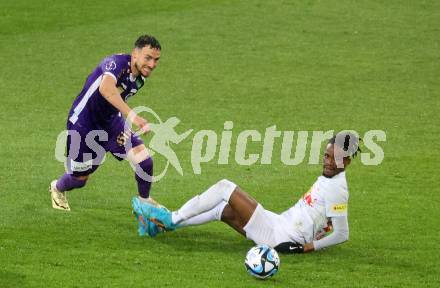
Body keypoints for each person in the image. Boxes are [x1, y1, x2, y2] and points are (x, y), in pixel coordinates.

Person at [132, 132, 360, 254]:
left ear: (347, 161)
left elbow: (342, 233)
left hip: (282, 237)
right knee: (222, 210)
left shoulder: (338, 189)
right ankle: (157, 226)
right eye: (327, 155)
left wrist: (305, 248)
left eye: (336, 158)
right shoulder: (331, 177)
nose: (329, 162)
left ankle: (169, 219)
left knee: (224, 187)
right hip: (278, 222)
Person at [50, 35, 162, 211]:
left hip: (111, 123)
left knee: (144, 160)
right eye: (148, 58)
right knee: (80, 179)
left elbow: (115, 98)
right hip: (83, 125)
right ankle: (57, 188)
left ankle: (144, 202)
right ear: (135, 54)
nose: (152, 64)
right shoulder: (115, 63)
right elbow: (106, 89)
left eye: (156, 60)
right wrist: (133, 117)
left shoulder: (140, 78)